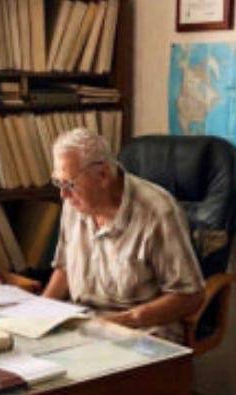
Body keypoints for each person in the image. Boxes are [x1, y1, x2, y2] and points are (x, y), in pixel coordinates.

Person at [43, 127, 205, 343]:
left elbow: (190, 296)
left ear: (103, 175)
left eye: (69, 184)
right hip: (83, 323)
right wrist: (39, 313)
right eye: (58, 182)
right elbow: (64, 268)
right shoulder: (74, 204)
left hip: (143, 329)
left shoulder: (158, 212)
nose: (63, 194)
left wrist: (122, 321)